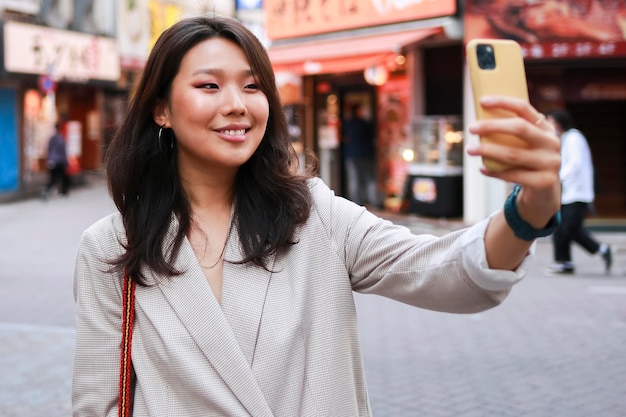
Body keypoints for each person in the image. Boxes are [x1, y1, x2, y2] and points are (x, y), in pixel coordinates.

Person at [72, 16, 562, 416]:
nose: (237, 105)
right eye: (209, 86)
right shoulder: (112, 246)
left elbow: (446, 272)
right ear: (162, 109)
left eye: (253, 86)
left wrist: (529, 207)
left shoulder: (312, 214)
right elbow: (98, 402)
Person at [546, 109, 612, 275]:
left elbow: (574, 165)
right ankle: (597, 251)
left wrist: (557, 179)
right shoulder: (565, 139)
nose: (549, 125)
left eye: (551, 121)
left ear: (559, 122)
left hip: (577, 194)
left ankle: (566, 262)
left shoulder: (574, 138)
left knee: (566, 228)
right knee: (567, 229)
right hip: (569, 193)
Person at [341, 102, 379, 206]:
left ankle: (356, 203)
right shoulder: (365, 123)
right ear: (358, 111)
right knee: (369, 179)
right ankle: (373, 201)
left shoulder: (347, 123)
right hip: (365, 154)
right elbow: (373, 135)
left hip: (351, 154)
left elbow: (344, 136)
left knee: (354, 180)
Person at [42, 123, 70, 198]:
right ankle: (63, 192)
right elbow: (63, 151)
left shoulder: (51, 138)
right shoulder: (61, 138)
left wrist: (48, 159)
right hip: (59, 161)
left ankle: (47, 190)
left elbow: (48, 149)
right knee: (63, 177)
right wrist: (66, 162)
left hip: (52, 161)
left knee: (53, 178)